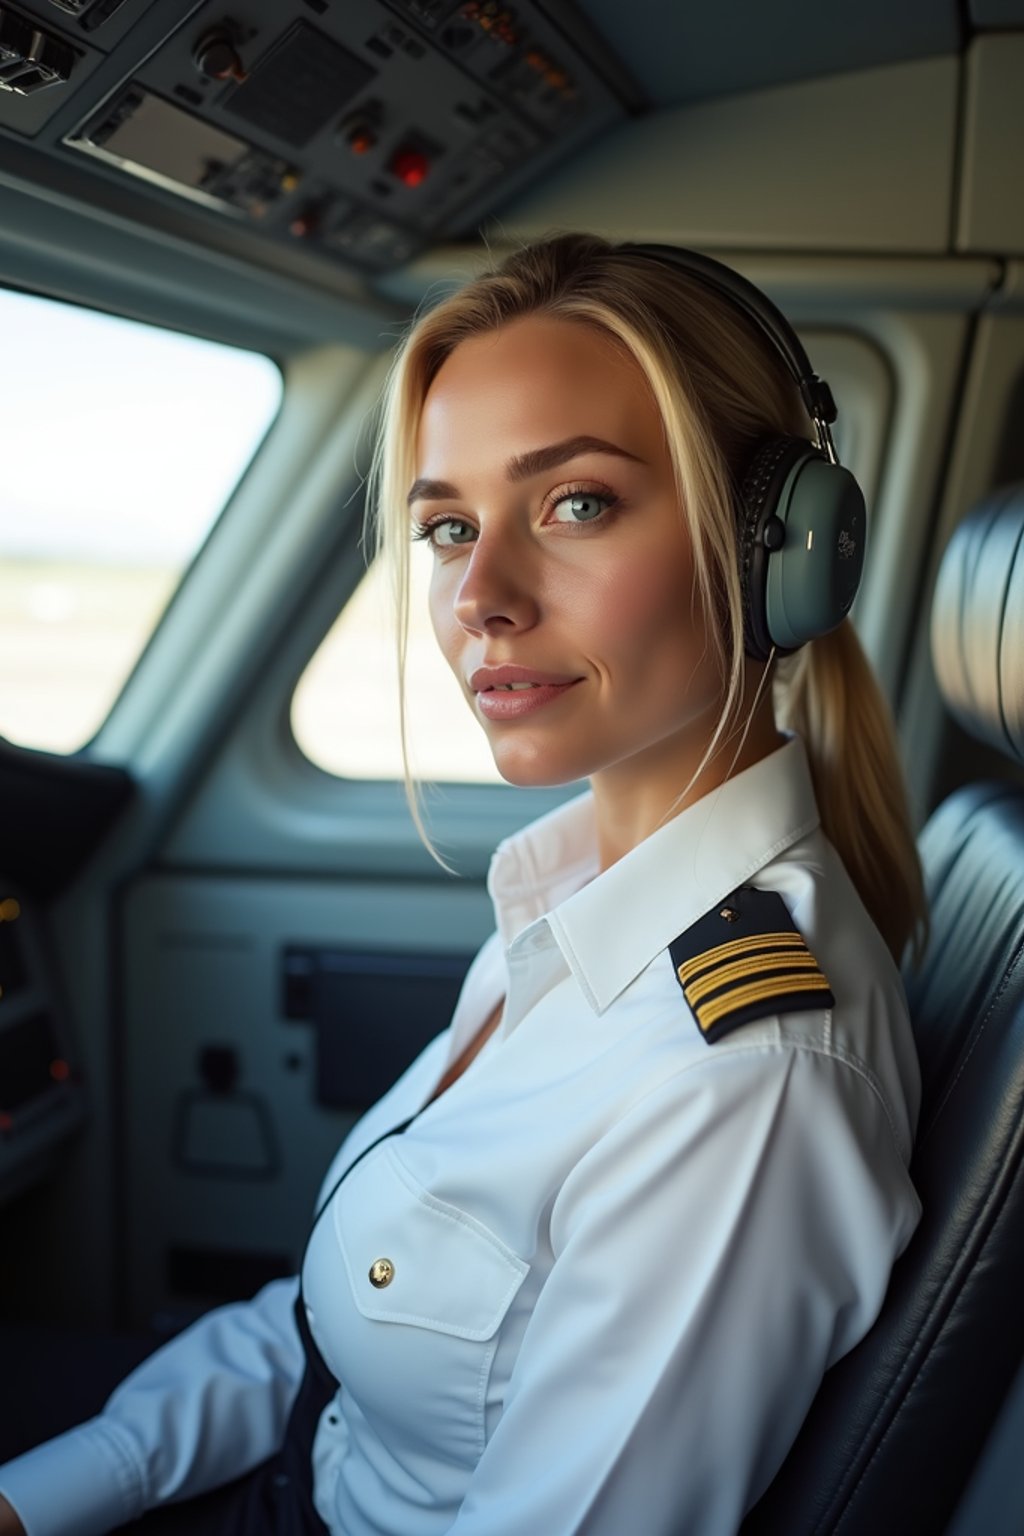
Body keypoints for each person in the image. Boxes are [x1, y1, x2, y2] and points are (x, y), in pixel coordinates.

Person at [0, 232, 927, 1536]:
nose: (479, 595)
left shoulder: (735, 1079)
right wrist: (48, 1498)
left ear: (785, 546)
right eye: (446, 526)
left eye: (575, 504)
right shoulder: (575, 897)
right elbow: (329, 1331)